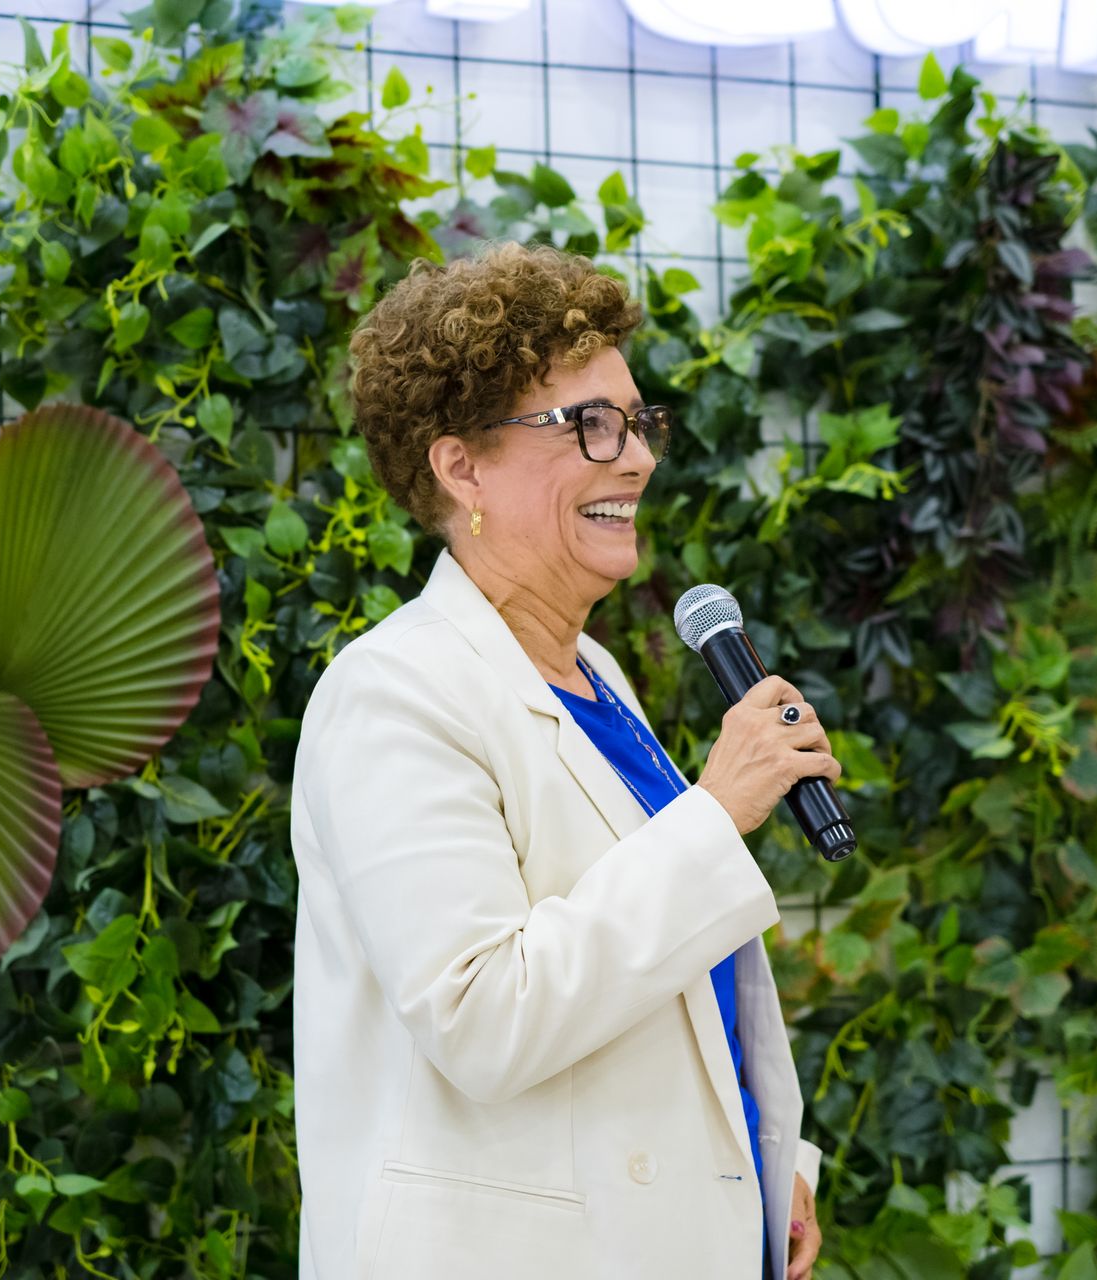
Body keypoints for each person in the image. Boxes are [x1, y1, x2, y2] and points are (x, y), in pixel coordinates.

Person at [290, 240, 841, 1280]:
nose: (634, 457)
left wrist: (764, 1166)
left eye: (638, 423)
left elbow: (668, 990)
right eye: (589, 424)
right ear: (461, 467)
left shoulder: (596, 676)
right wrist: (715, 813)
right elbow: (484, 1016)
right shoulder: (392, 693)